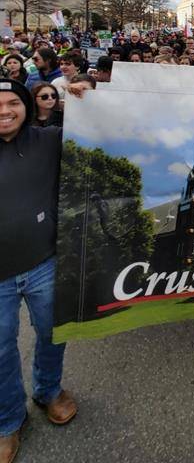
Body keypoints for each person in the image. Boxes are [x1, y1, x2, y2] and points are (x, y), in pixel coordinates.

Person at [0, 80, 77, 463]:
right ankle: (8, 421)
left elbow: (105, 129)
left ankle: (48, 391)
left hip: (43, 263)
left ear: (27, 106)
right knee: (0, 349)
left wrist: (89, 97)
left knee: (52, 332)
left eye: (13, 102)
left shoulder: (48, 141)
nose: (5, 111)